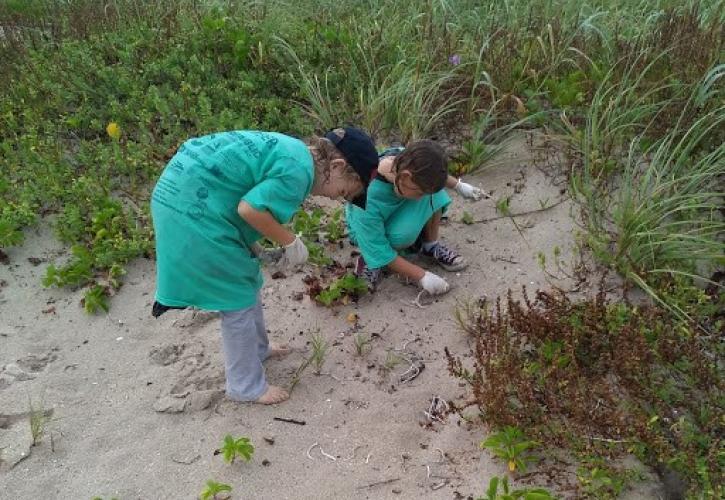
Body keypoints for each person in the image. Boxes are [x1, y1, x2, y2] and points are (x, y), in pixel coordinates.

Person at [151, 127, 378, 404]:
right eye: (344, 191)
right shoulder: (299, 173)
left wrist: (256, 246)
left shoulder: (294, 152)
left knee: (247, 281)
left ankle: (259, 348)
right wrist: (289, 241)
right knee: (236, 300)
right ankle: (245, 386)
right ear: (337, 165)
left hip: (182, 192)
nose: (335, 199)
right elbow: (250, 209)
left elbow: (239, 187)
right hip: (192, 212)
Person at [346, 140, 486, 295]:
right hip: (366, 231)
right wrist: (422, 276)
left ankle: (430, 246)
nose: (422, 198)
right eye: (420, 192)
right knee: (398, 238)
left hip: (399, 205)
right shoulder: (366, 196)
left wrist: (459, 186)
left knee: (434, 192)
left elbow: (431, 173)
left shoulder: (403, 161)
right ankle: (368, 259)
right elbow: (378, 247)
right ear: (405, 176)